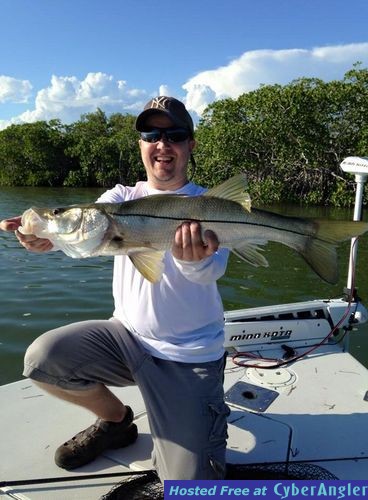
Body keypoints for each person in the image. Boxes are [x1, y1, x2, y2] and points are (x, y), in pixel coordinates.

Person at [0, 96, 230, 481]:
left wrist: (196, 261)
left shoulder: (208, 205)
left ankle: (191, 425)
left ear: (190, 143)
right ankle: (117, 422)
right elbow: (87, 231)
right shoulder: (120, 198)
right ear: (140, 143)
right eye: (151, 134)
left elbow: (211, 273)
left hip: (188, 357)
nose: (162, 143)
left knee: (190, 486)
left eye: (174, 134)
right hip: (125, 340)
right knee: (43, 359)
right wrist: (45, 236)